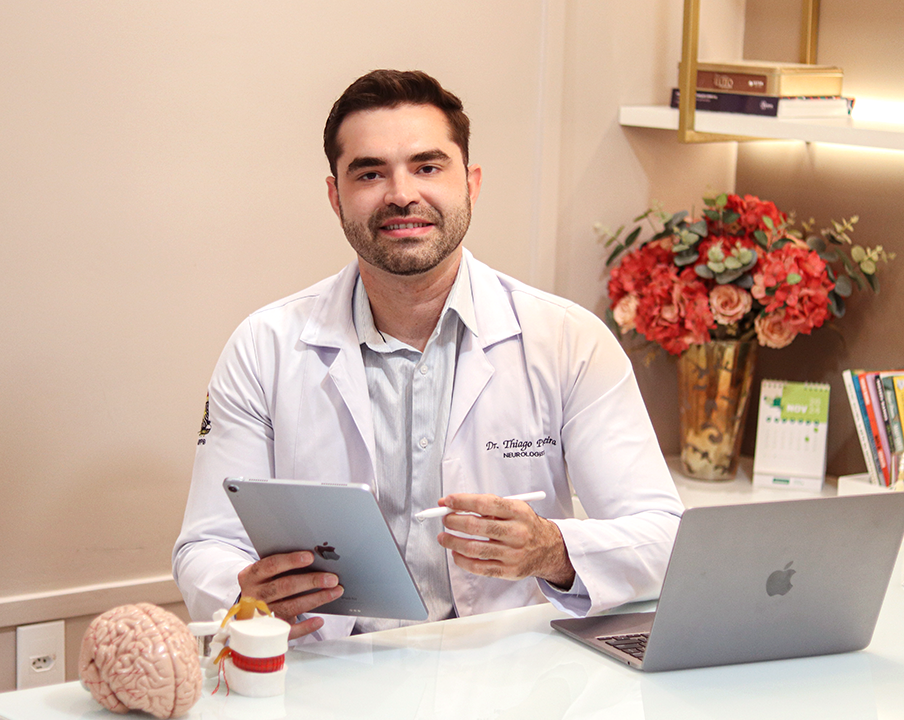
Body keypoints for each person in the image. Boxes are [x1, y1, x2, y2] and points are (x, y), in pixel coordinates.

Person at [172, 69, 684, 642]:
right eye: (370, 173)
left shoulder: (568, 340)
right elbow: (206, 545)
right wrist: (246, 595)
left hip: (509, 668)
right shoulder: (263, 347)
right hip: (328, 668)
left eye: (428, 167)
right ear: (336, 197)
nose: (401, 194)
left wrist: (552, 550)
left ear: (471, 184)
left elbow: (665, 537)